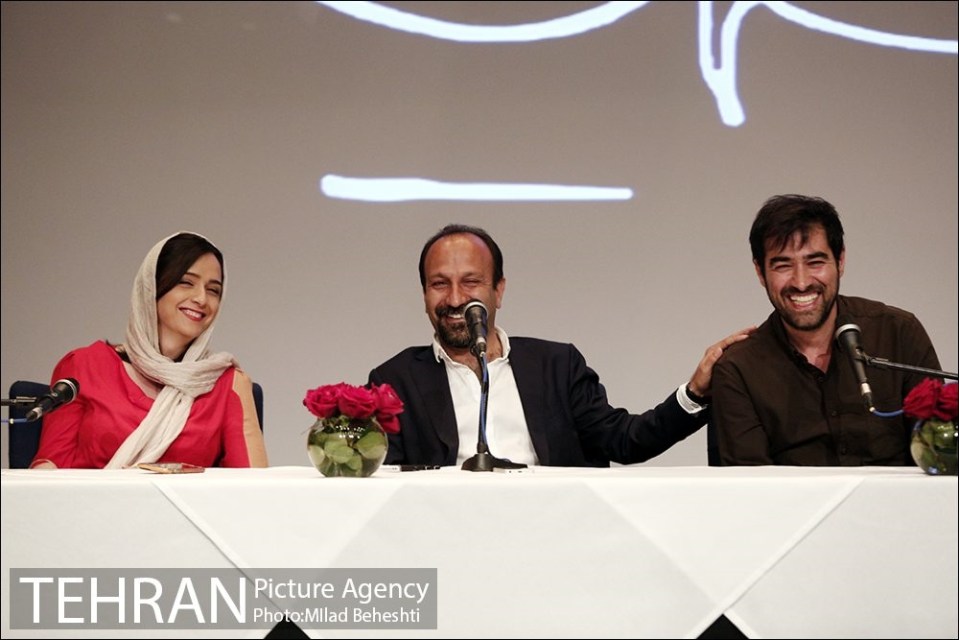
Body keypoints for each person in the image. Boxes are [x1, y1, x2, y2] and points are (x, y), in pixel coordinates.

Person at [368, 223, 754, 467]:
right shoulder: (395, 380)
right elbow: (386, 482)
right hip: (448, 540)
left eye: (471, 282)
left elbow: (625, 441)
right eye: (439, 284)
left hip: (557, 537)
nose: (455, 299)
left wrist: (694, 393)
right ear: (424, 294)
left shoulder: (556, 365)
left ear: (498, 291)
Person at [711, 194, 941, 466]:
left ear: (840, 261)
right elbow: (748, 484)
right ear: (760, 273)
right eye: (783, 265)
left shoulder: (898, 333)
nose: (801, 282)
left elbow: (939, 454)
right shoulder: (738, 370)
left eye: (815, 262)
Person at [31, 232, 269, 469]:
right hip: (90, 496)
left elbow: (252, 482)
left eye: (213, 290)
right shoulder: (85, 366)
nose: (201, 298)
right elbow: (50, 470)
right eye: (186, 282)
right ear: (152, 288)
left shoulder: (227, 384)